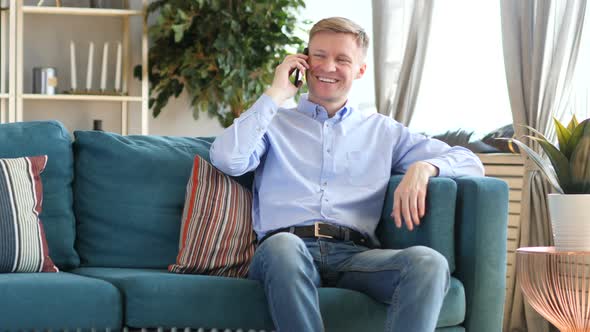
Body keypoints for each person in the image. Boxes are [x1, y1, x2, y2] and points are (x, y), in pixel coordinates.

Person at [210, 17, 484, 332]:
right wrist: (276, 92)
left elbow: (470, 161)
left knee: (429, 263)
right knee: (283, 246)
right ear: (303, 61)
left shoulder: (383, 131)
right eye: (319, 55)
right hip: (284, 252)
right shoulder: (272, 123)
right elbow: (227, 159)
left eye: (342, 59)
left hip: (356, 256)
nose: (328, 67)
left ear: (360, 70)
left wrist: (425, 166)